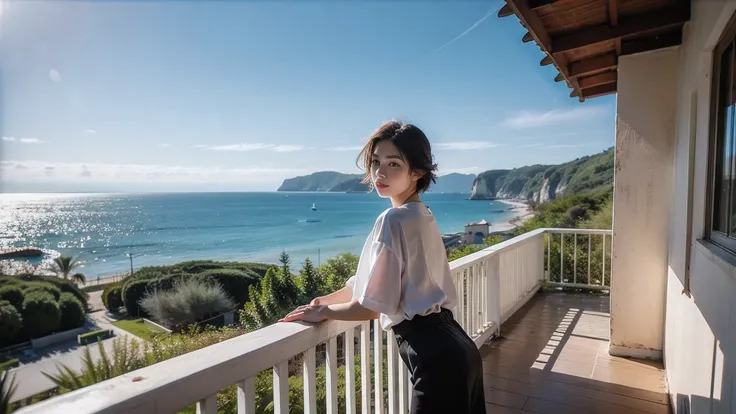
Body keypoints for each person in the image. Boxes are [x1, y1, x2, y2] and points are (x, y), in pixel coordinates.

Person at [280, 120, 486, 413]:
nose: (380, 172)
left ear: (418, 172)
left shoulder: (393, 220)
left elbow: (372, 306)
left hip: (434, 355)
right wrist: (322, 300)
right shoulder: (422, 215)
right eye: (376, 162)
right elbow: (367, 282)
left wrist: (324, 312)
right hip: (457, 345)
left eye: (393, 164)